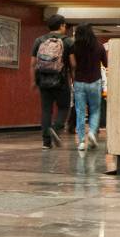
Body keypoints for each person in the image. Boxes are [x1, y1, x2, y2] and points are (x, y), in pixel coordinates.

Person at [32, 14, 74, 149]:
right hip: (61, 80)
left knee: (46, 110)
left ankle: (46, 142)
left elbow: (33, 63)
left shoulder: (39, 40)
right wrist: (74, 79)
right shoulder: (68, 41)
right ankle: (56, 129)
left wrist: (33, 81)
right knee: (64, 107)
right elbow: (73, 64)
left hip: (43, 80)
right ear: (62, 25)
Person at [72, 23, 106, 151]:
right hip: (95, 81)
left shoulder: (74, 47)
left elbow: (72, 65)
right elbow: (106, 63)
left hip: (79, 82)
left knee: (80, 111)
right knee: (95, 110)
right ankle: (92, 132)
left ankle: (81, 141)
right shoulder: (99, 46)